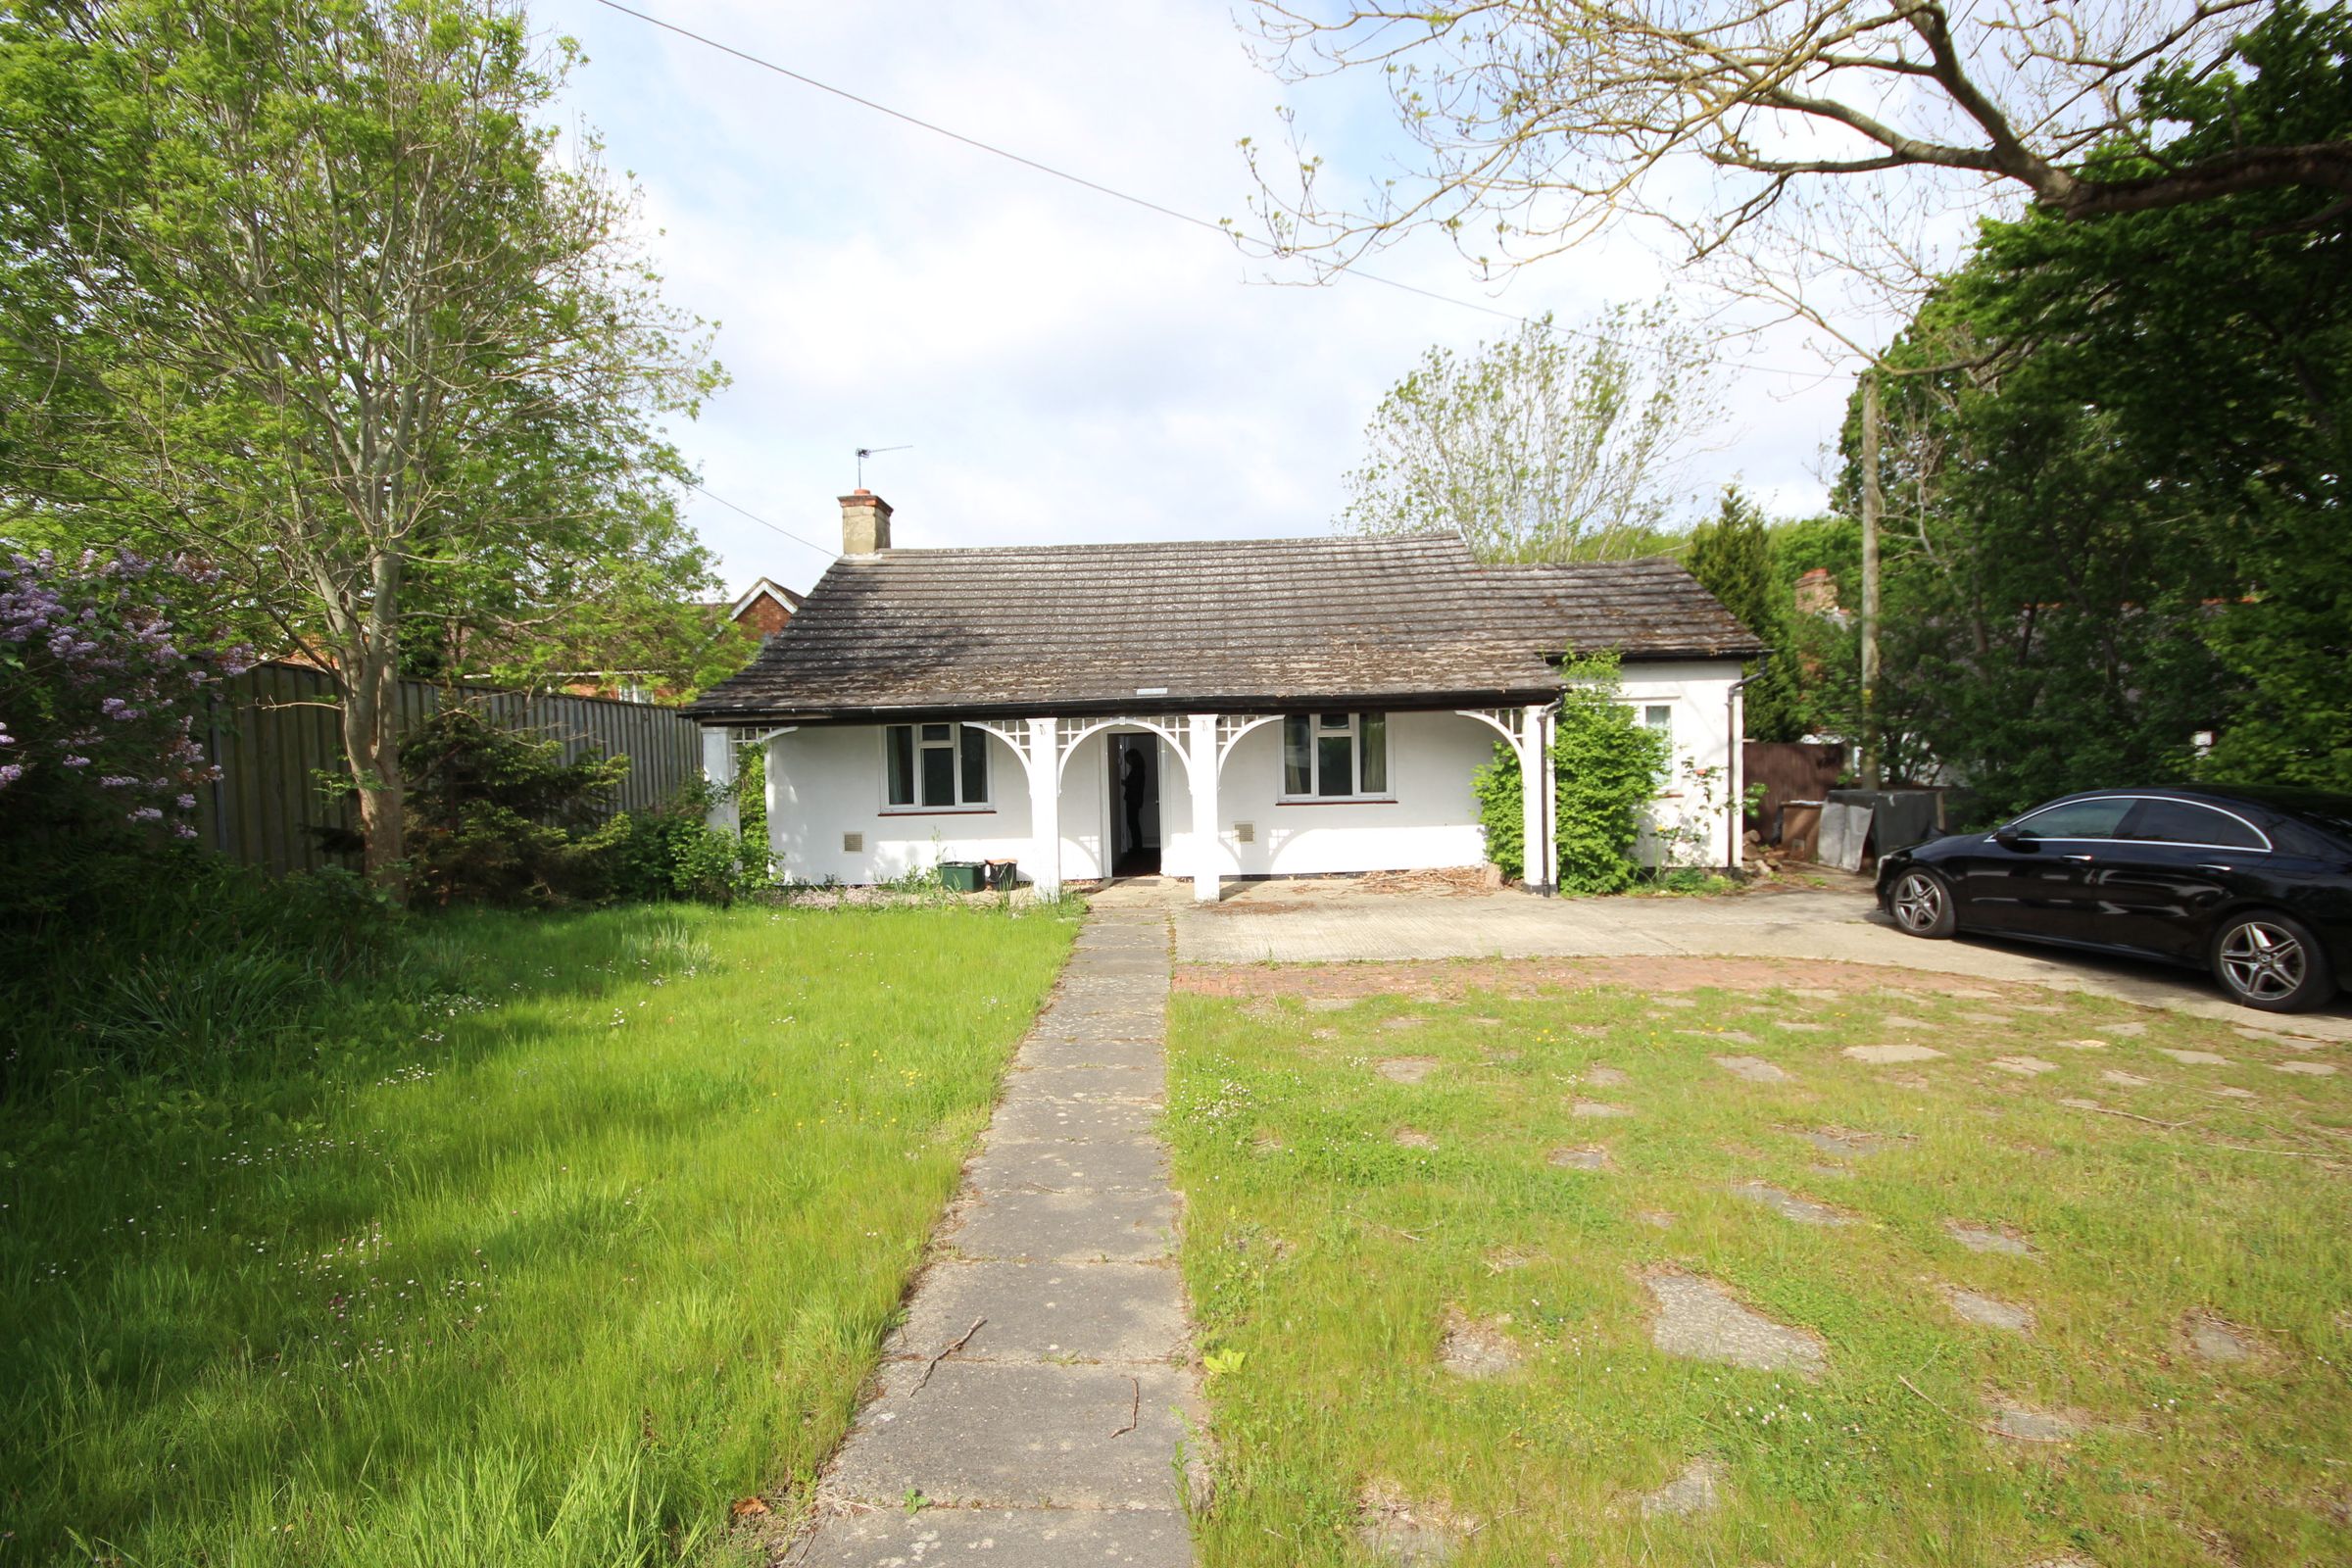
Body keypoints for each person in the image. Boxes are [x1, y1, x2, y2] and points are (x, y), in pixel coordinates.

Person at [1121, 746, 1147, 862]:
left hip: (1133, 799)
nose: (1127, 761)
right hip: (1135, 799)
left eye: (1128, 759)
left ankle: (1137, 848)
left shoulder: (1137, 770)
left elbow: (1132, 784)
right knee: (1133, 823)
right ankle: (1137, 847)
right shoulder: (1139, 769)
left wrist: (1123, 782)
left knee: (1133, 823)